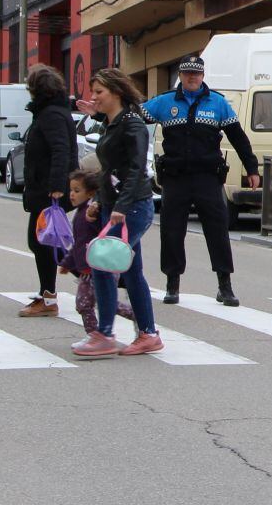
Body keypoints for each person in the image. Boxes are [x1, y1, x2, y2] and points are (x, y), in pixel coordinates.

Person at [140, 55, 260, 306]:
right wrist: (101, 114)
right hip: (175, 179)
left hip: (208, 178)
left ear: (203, 76)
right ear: (180, 76)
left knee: (217, 231)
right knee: (172, 232)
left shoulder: (217, 103)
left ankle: (224, 285)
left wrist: (252, 168)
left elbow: (238, 137)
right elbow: (132, 117)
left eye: (196, 73)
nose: (191, 77)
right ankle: (172, 284)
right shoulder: (164, 102)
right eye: (186, 73)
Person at [72, 68, 161, 357]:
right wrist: (99, 199)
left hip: (133, 207)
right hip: (116, 205)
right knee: (132, 272)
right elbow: (108, 169)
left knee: (102, 262)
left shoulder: (133, 125)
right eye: (93, 91)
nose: (94, 97)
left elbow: (137, 170)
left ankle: (105, 334)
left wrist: (120, 207)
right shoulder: (114, 122)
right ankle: (148, 334)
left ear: (117, 92)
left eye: (99, 92)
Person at [18, 65, 79, 318]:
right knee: (46, 242)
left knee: (42, 242)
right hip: (46, 187)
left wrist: (56, 187)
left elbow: (60, 150)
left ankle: (50, 297)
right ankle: (86, 279)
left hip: (49, 189)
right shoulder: (51, 112)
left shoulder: (51, 115)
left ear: (36, 89)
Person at [58, 169, 135, 347]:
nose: (72, 194)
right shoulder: (79, 214)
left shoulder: (93, 212)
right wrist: (67, 263)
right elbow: (79, 244)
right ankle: (93, 335)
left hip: (99, 267)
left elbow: (99, 237)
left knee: (107, 304)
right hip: (86, 271)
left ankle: (137, 315)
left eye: (77, 191)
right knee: (83, 304)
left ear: (91, 193)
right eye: (71, 190)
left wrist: (95, 212)